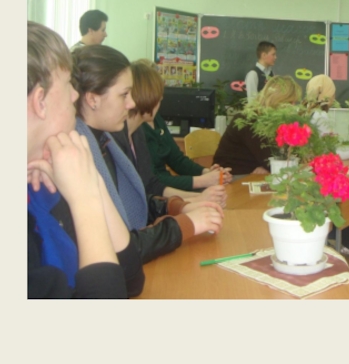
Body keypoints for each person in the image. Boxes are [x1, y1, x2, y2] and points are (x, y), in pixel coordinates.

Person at [72, 45, 224, 263]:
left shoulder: (105, 141)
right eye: (124, 94)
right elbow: (121, 248)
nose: (132, 103)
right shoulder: (80, 158)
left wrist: (180, 206)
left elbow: (139, 199)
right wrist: (185, 224)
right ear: (92, 99)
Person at [27, 21, 144, 298]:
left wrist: (91, 179)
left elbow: (130, 280)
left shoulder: (45, 178)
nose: (75, 95)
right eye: (68, 83)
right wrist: (85, 200)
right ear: (41, 101)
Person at [125, 59, 232, 198]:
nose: (161, 97)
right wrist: (201, 182)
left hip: (165, 193)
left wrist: (206, 173)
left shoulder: (156, 119)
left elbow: (176, 159)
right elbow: (152, 183)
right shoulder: (135, 131)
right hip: (160, 196)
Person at [304, 75, 349, 258]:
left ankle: (336, 237)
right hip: (318, 170)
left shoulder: (307, 112)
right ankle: (346, 240)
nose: (334, 97)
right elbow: (327, 152)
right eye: (332, 93)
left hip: (309, 167)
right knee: (347, 188)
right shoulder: (320, 116)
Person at [214, 75, 300, 176]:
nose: (293, 106)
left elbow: (277, 160)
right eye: (290, 102)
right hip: (230, 178)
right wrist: (269, 166)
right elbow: (273, 162)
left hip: (251, 176)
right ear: (277, 100)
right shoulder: (249, 120)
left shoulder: (269, 119)